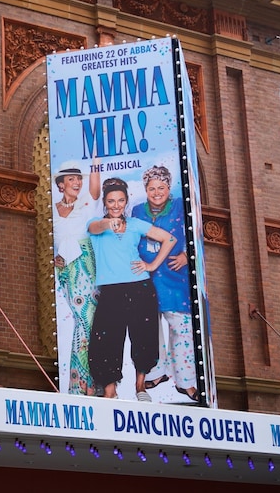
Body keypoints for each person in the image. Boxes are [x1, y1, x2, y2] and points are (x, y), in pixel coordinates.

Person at [87, 177, 175, 402]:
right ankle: (109, 391)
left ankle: (140, 387)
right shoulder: (96, 224)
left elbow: (169, 239)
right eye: (111, 201)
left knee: (143, 337)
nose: (116, 205)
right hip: (111, 291)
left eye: (120, 200)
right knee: (106, 340)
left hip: (140, 288)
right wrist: (109, 224)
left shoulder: (136, 224)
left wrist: (152, 265)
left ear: (126, 202)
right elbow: (96, 228)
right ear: (105, 203)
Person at [132, 166, 199, 401]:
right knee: (151, 329)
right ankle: (156, 373)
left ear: (169, 188)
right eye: (152, 188)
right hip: (146, 278)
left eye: (161, 187)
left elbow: (197, 233)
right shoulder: (137, 210)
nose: (157, 192)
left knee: (181, 328)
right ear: (145, 189)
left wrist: (186, 255)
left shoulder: (181, 204)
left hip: (175, 277)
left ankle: (186, 381)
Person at [52, 160, 100, 396]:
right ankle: (77, 382)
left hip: (84, 267)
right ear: (61, 185)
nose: (76, 182)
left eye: (78, 178)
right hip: (64, 270)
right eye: (71, 179)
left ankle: (87, 382)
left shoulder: (86, 205)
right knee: (74, 321)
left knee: (87, 320)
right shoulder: (53, 210)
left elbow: (95, 187)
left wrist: (95, 161)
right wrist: (55, 258)